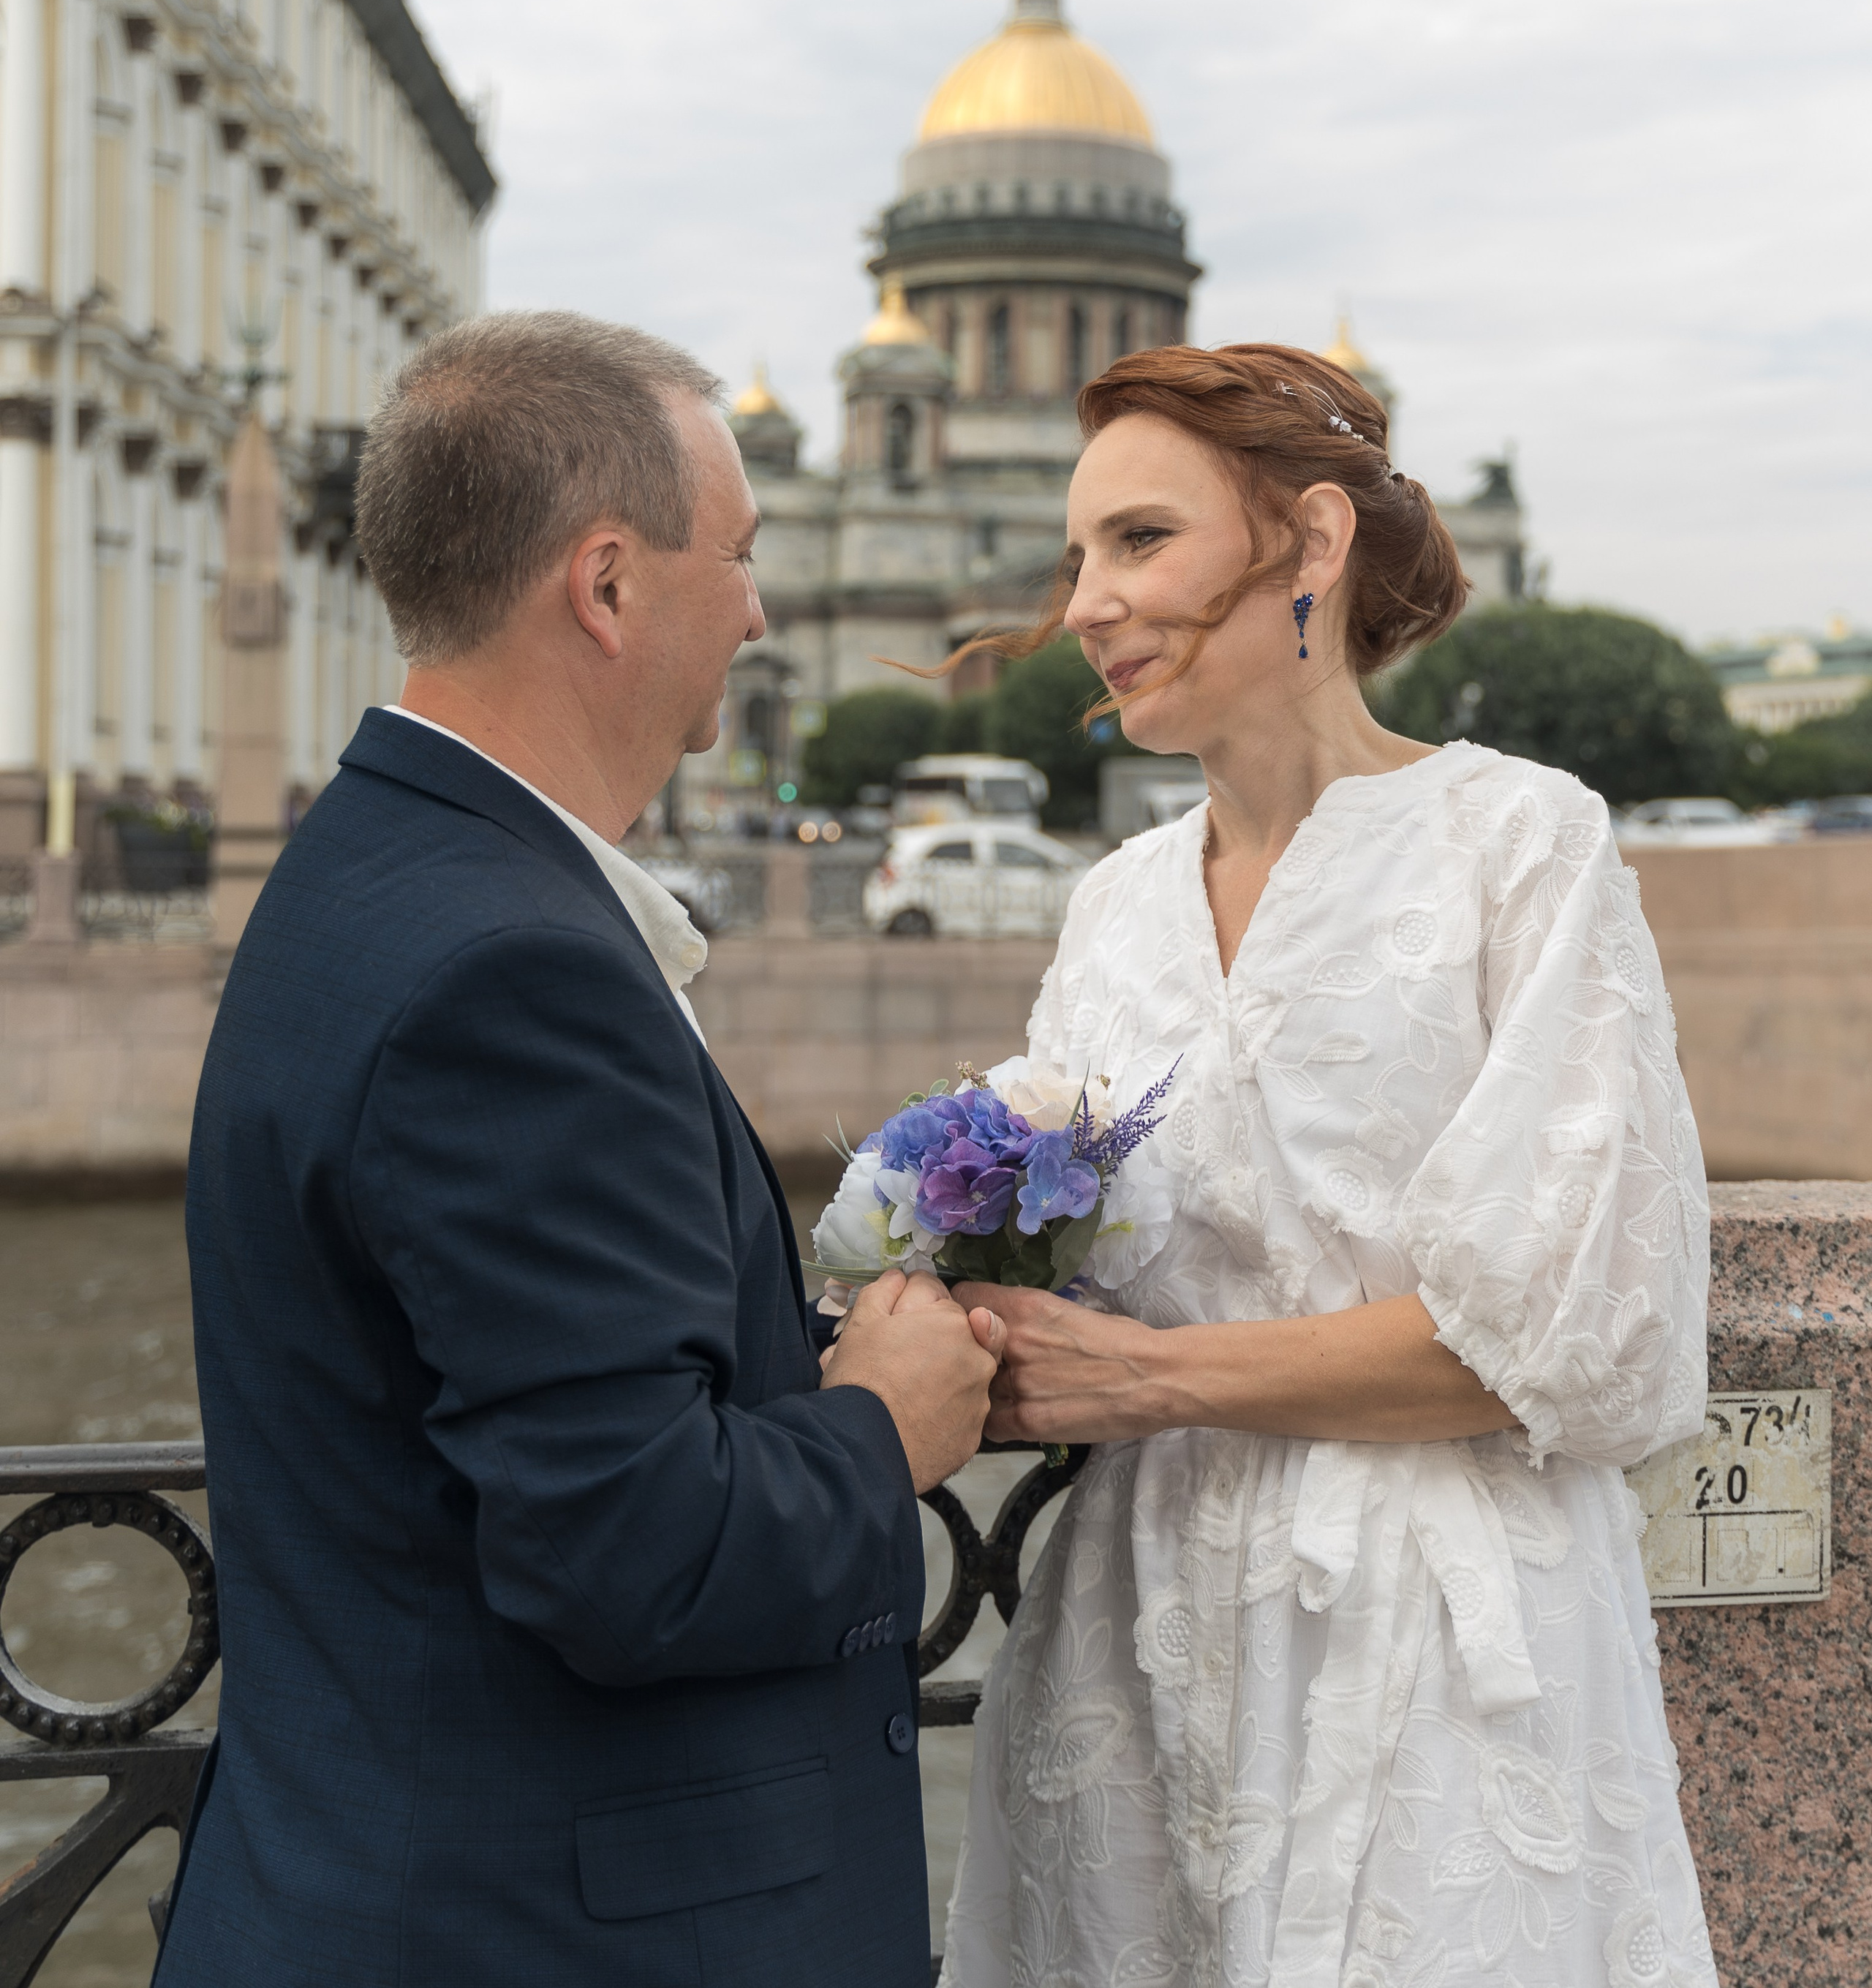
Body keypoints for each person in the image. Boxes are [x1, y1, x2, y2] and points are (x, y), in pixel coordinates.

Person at [159, 312, 1004, 1988]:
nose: (759, 608)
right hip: (543, 1933)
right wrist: (882, 1421)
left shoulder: (367, 869)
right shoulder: (514, 969)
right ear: (608, 586)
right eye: (741, 556)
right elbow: (637, 1550)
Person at [939, 344, 1716, 1988]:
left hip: (1434, 1633)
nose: (1085, 602)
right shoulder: (1111, 906)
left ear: (1305, 541)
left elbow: (1569, 1339)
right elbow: (1053, 1257)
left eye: (1138, 542)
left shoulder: (1519, 841)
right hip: (1136, 1639)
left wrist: (1147, 1377)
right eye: (1077, 556)